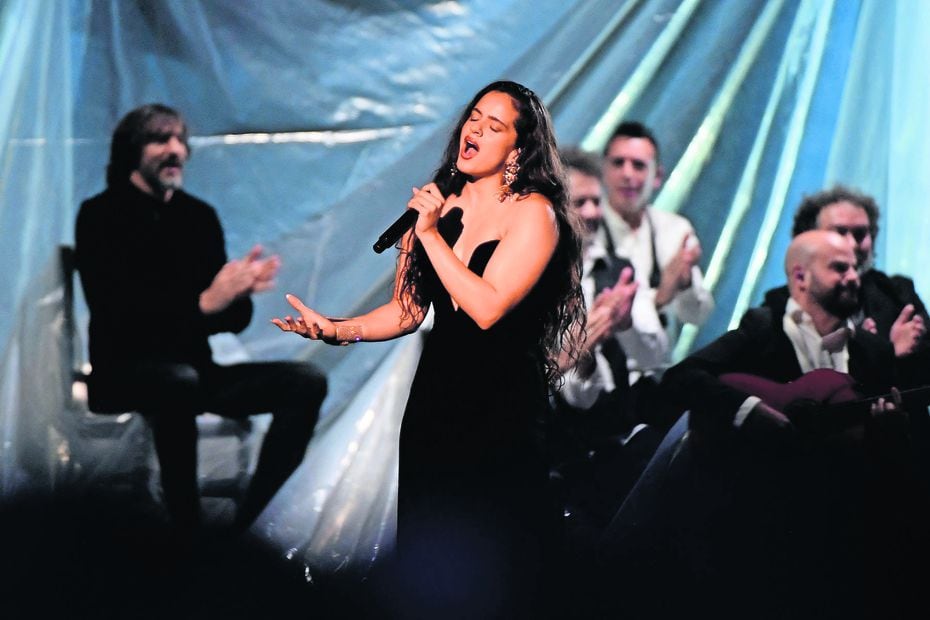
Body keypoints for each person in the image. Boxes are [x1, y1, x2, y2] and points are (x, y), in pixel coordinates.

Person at [273, 81, 584, 618]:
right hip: (437, 398)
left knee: (496, 546)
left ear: (518, 148)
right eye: (473, 119)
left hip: (503, 405)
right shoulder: (441, 207)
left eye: (494, 126)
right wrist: (335, 330)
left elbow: (486, 307)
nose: (475, 131)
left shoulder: (534, 214)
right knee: (428, 541)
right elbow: (407, 310)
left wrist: (432, 234)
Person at [599, 230, 924, 618]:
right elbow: (683, 377)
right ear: (800, 276)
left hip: (845, 530)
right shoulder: (762, 328)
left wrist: (889, 432)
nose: (854, 277)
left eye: (855, 268)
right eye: (840, 268)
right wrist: (747, 409)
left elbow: (889, 461)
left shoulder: (874, 351)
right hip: (760, 528)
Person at [75, 104, 327, 533]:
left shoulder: (197, 217)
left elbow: (232, 319)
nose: (175, 150)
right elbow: (116, 314)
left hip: (195, 371)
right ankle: (187, 535)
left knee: (306, 382)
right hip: (121, 373)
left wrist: (237, 293)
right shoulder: (101, 215)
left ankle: (245, 525)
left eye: (180, 141)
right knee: (178, 381)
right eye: (160, 140)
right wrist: (204, 305)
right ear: (132, 150)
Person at [600, 121, 713, 427]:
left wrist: (686, 283)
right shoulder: (587, 228)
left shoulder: (675, 230)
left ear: (657, 176)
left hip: (656, 379)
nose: (627, 174)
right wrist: (661, 296)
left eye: (639, 165)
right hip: (600, 386)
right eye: (618, 163)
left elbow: (697, 314)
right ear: (604, 169)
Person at [764, 185, 929, 387]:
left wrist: (903, 358)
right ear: (808, 239)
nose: (851, 244)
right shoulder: (779, 307)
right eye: (839, 232)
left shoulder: (898, 294)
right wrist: (886, 352)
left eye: (860, 234)